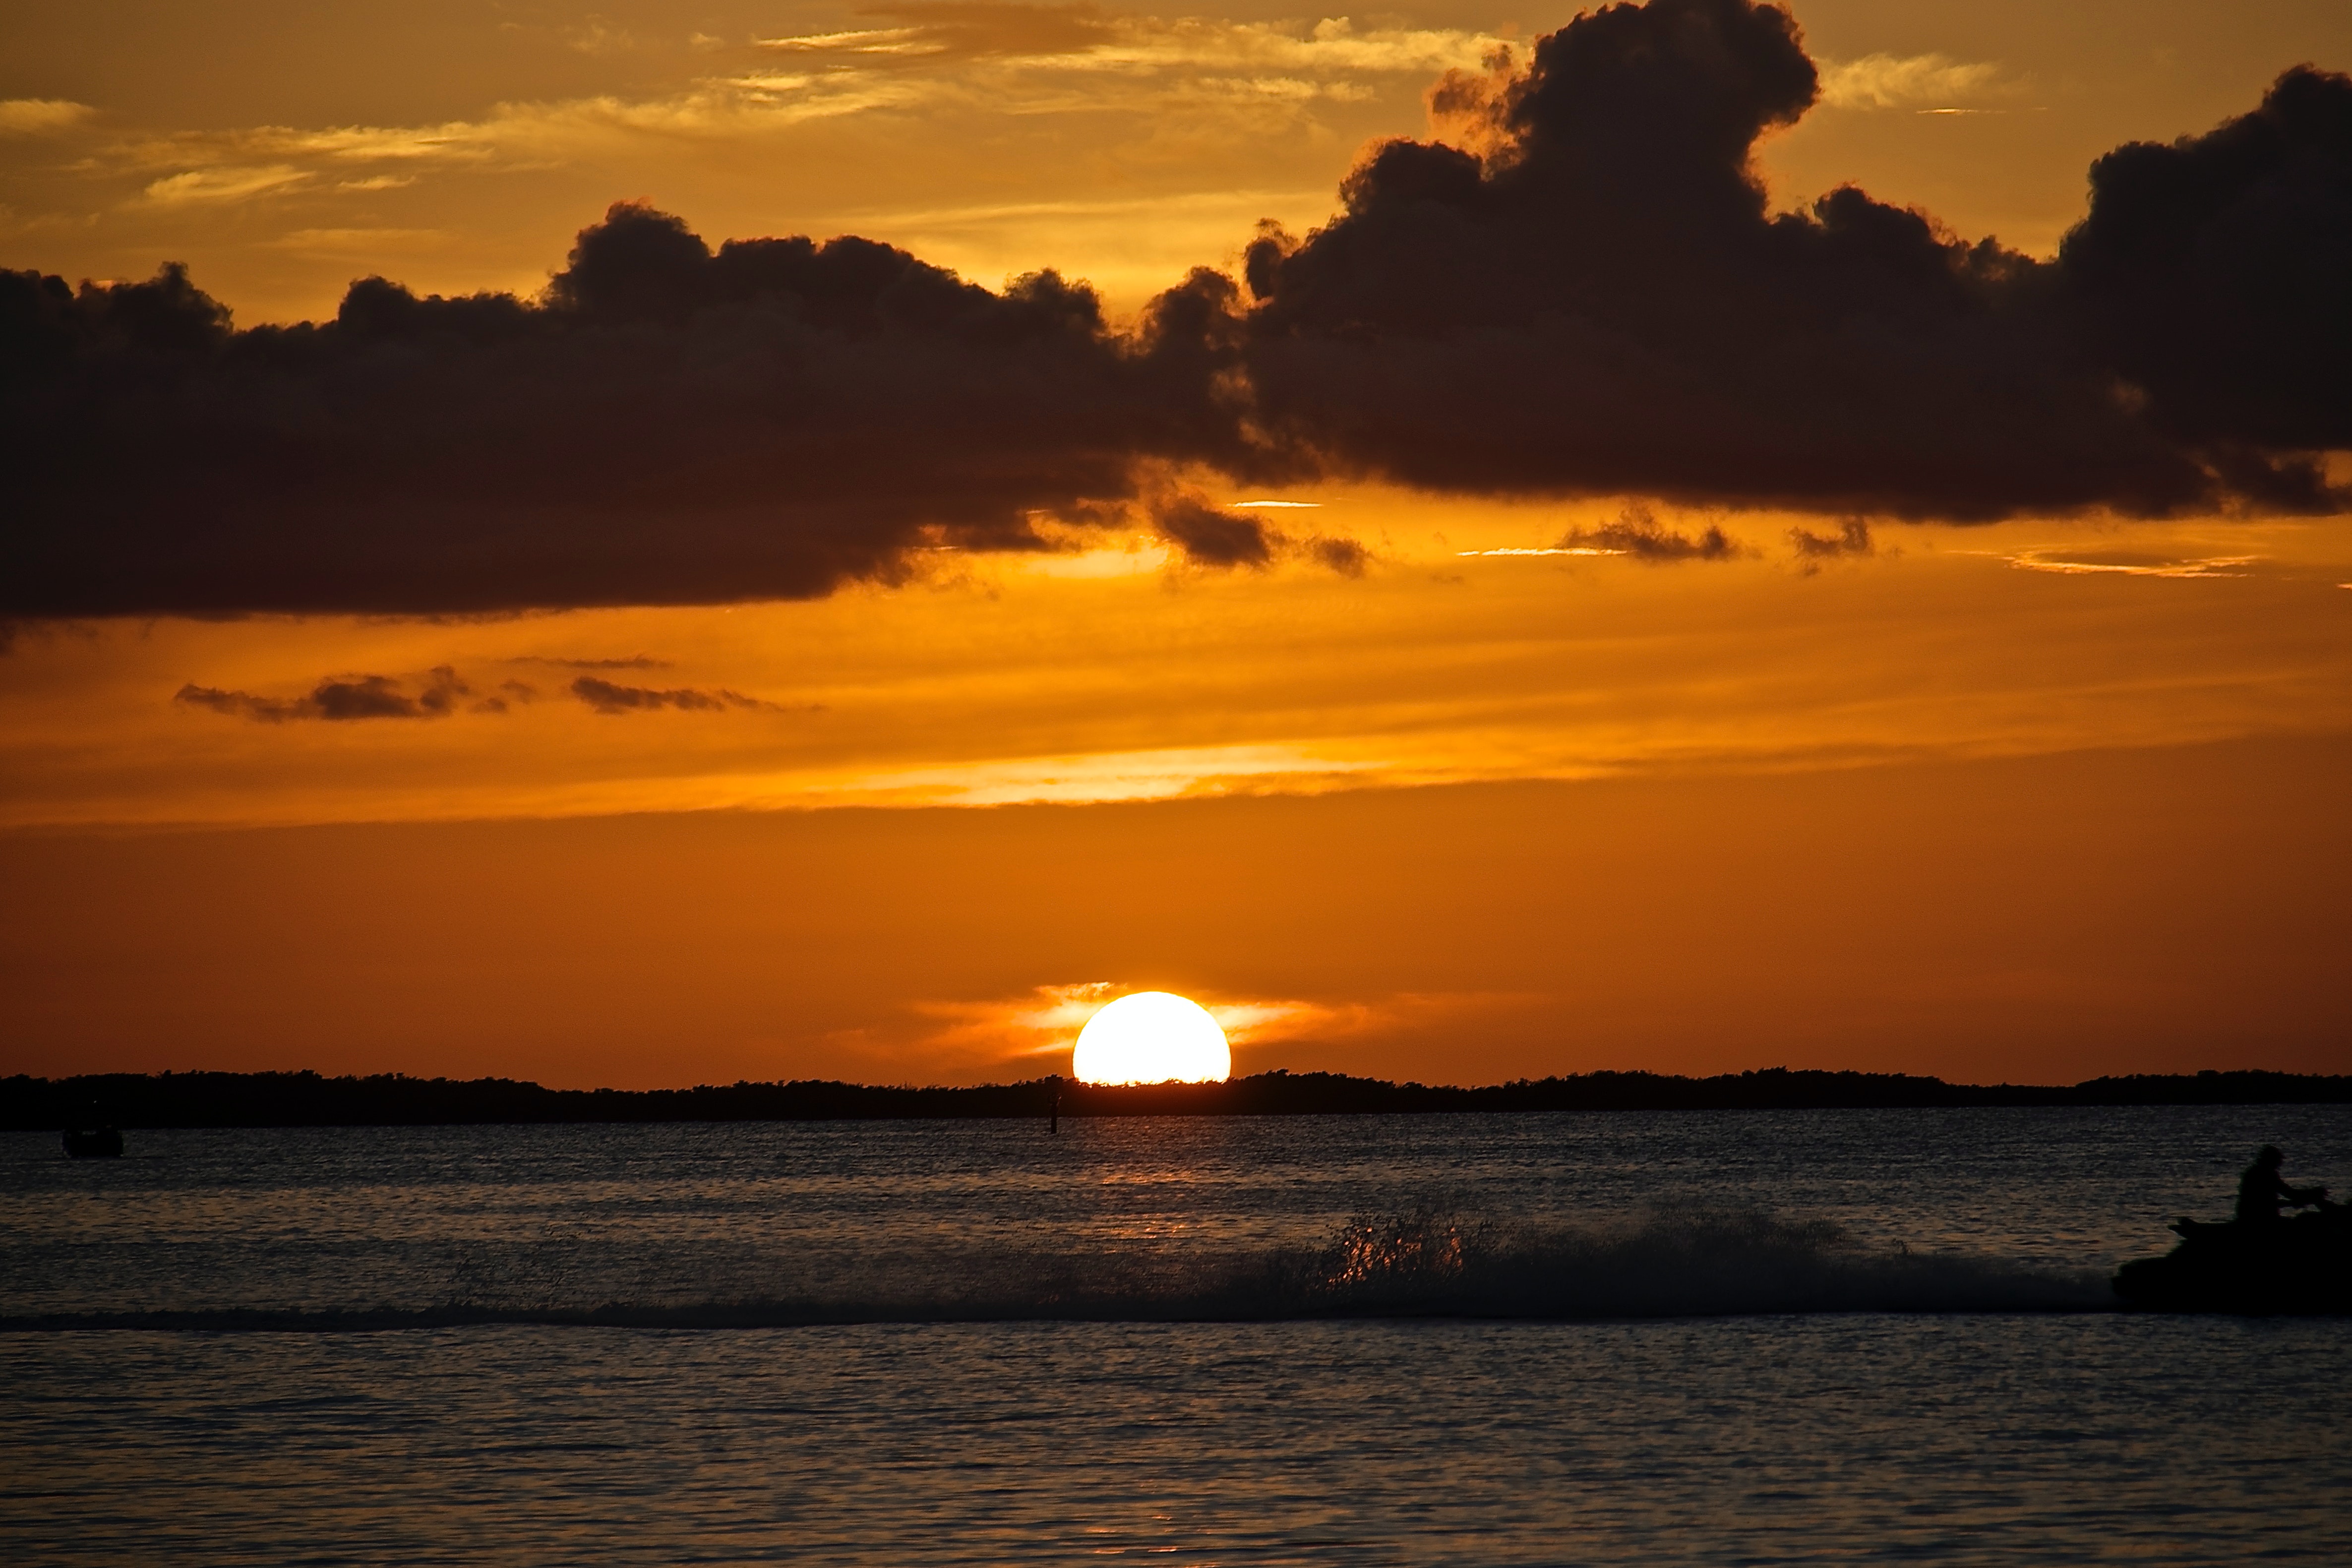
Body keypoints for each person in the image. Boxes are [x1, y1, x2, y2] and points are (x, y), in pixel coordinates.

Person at [2234, 1146, 2327, 1225]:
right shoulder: (2267, 1174)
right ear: (2272, 1160)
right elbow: (2289, 1194)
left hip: (2247, 1215)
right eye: (2278, 1160)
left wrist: (2301, 1199)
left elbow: (2276, 1199)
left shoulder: (2252, 1172)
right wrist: (2312, 1194)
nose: (2280, 1163)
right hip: (2261, 1218)